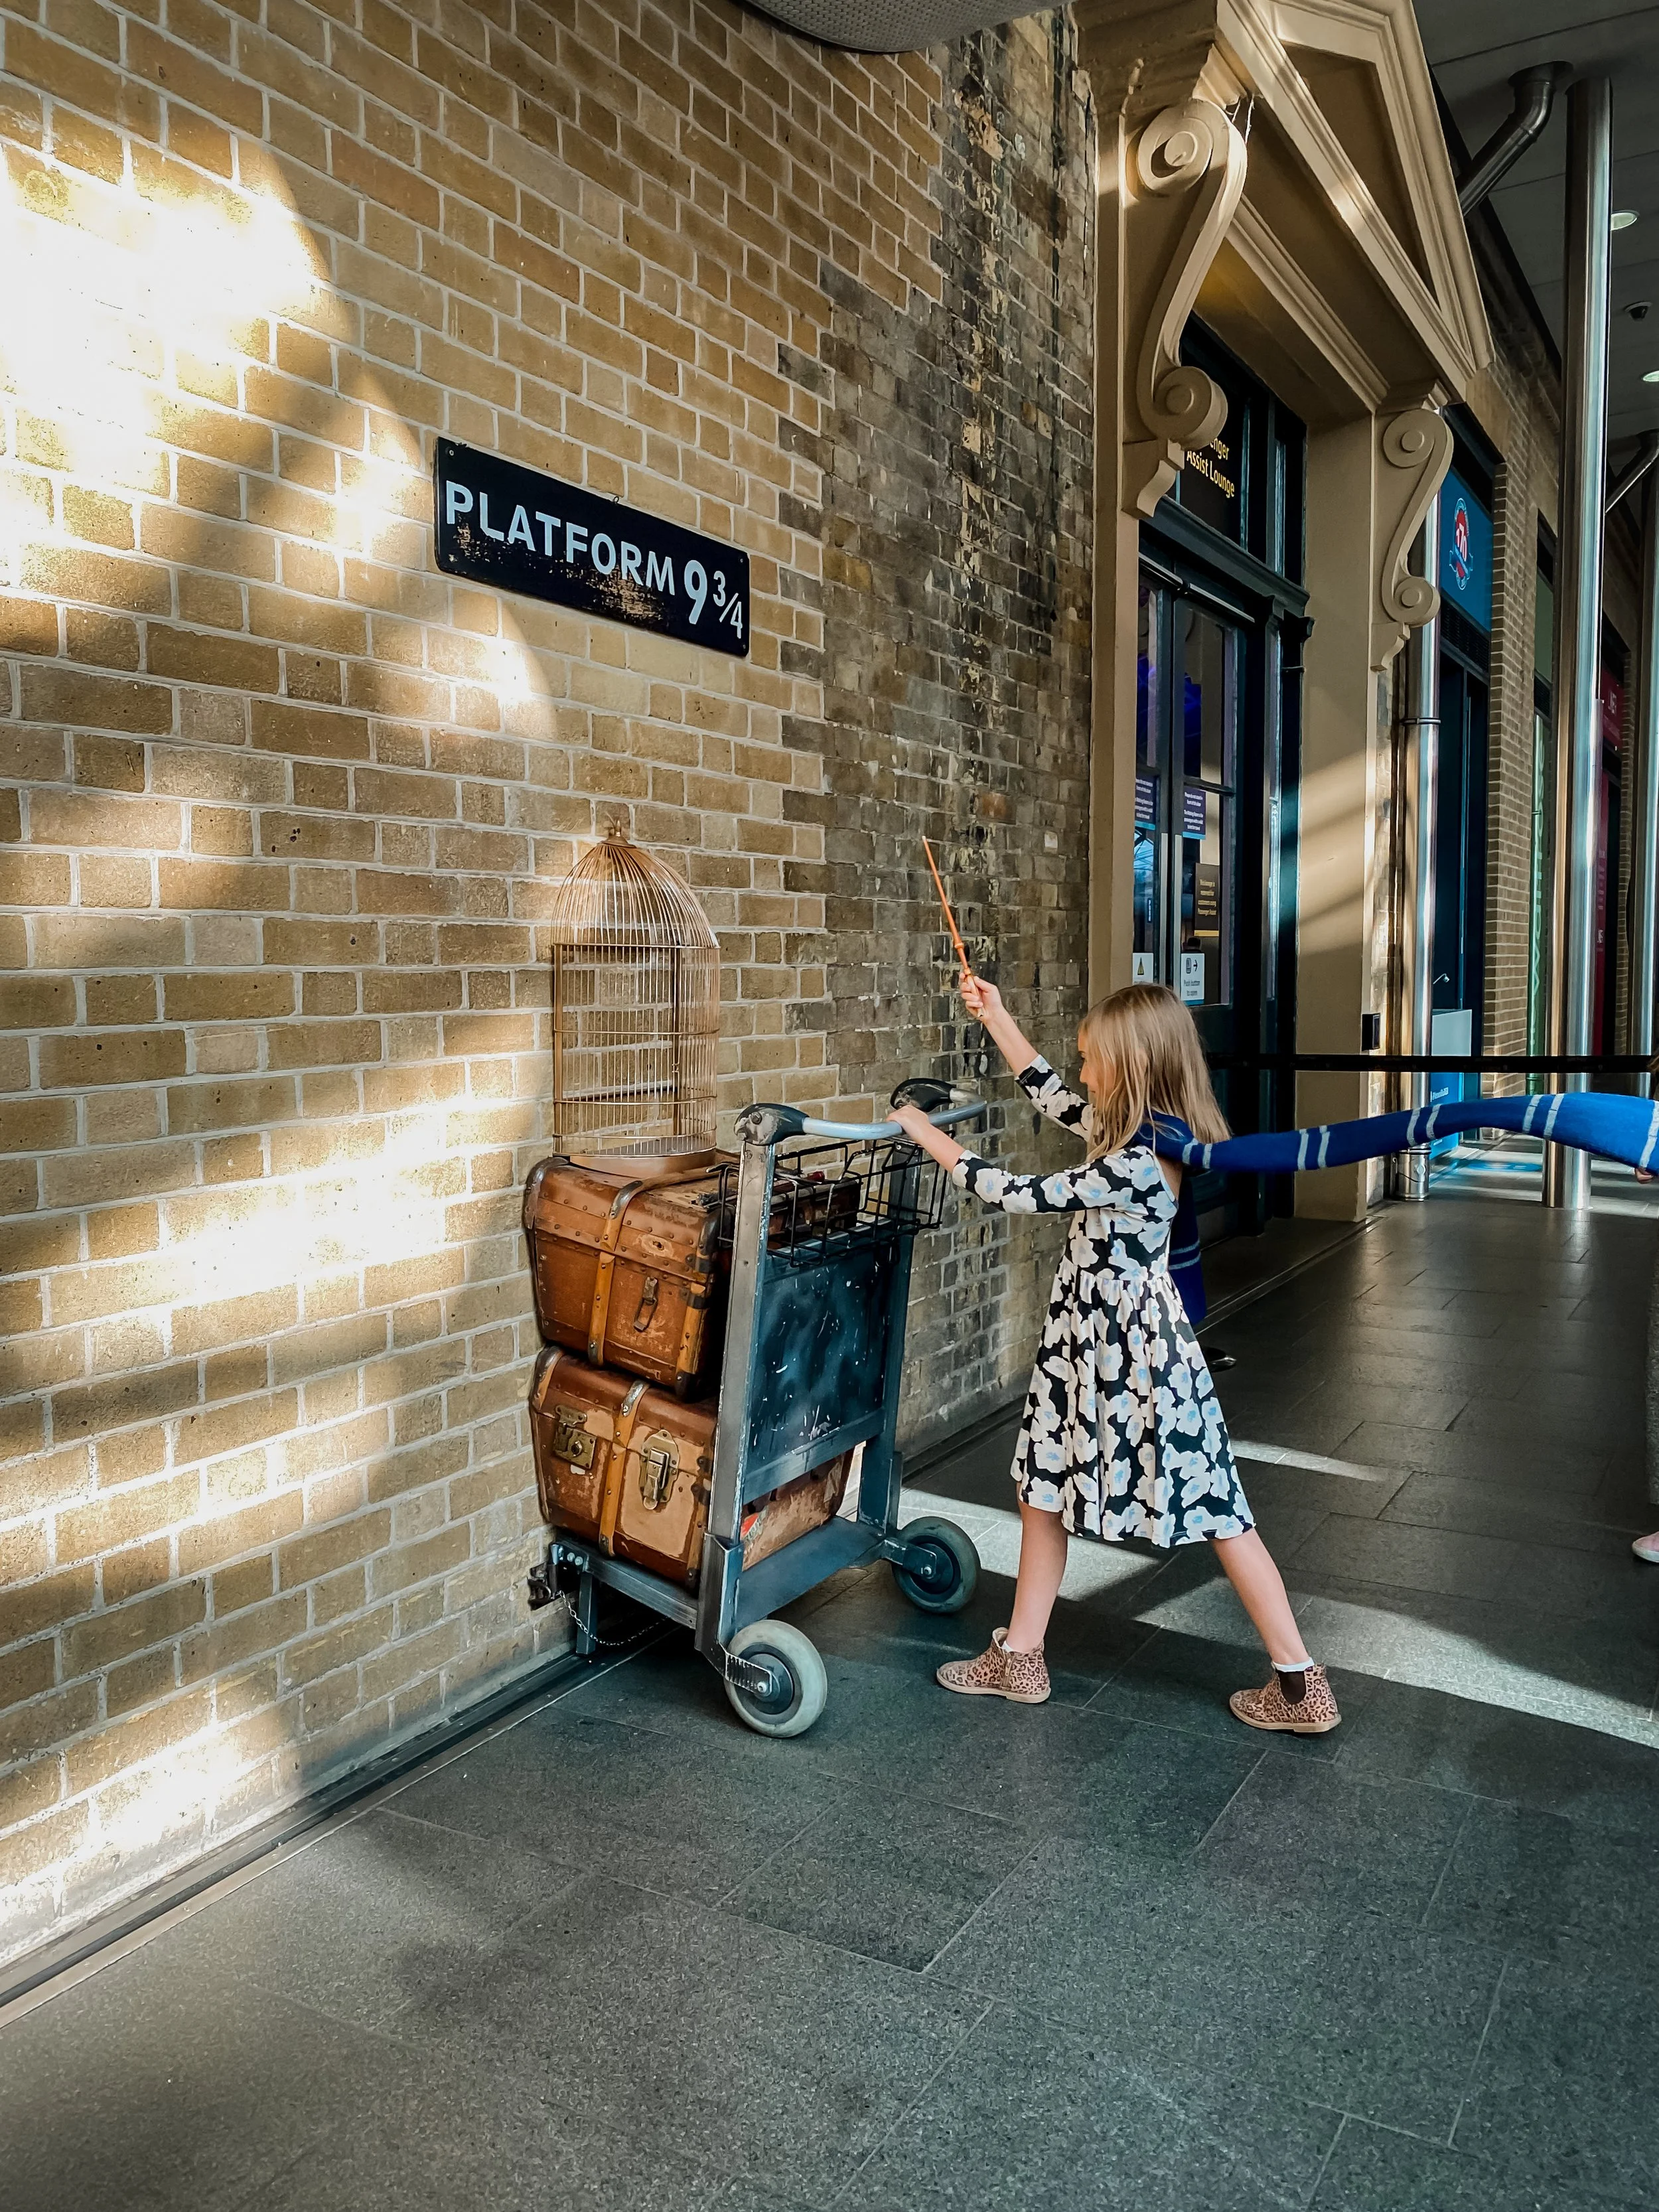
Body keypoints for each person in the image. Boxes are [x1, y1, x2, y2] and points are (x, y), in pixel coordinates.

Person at [891, 977, 1338, 1734]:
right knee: (1066, 1486)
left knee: (1197, 1505)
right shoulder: (1145, 1133)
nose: (1082, 1071)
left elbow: (1013, 1192)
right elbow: (1049, 1093)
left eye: (1091, 1058)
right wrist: (996, 1016)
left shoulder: (1134, 1160)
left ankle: (1297, 1683)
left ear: (1129, 1067)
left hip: (1118, 1351)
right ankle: (1023, 1654)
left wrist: (920, 1130)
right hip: (1102, 1344)